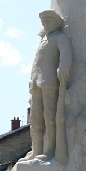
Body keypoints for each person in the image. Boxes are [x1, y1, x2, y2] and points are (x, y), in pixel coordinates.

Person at [28, 10, 72, 160]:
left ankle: (50, 150)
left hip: (49, 81)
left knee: (50, 117)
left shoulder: (60, 37)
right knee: (35, 119)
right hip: (36, 83)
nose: (45, 24)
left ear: (56, 23)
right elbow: (36, 62)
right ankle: (36, 150)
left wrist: (63, 67)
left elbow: (66, 54)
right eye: (44, 22)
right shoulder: (43, 40)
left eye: (48, 21)